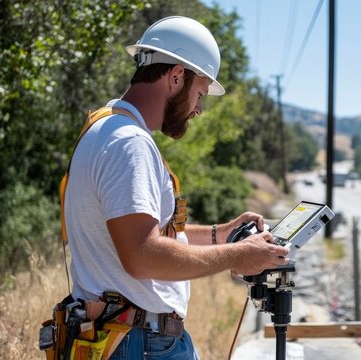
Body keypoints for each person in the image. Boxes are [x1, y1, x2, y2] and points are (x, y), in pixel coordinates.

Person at [63, 16, 289, 359]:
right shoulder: (129, 144)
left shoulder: (104, 126)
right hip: (142, 344)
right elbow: (142, 255)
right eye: (199, 92)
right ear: (176, 76)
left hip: (127, 337)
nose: (198, 108)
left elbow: (146, 232)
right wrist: (239, 255)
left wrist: (220, 233)